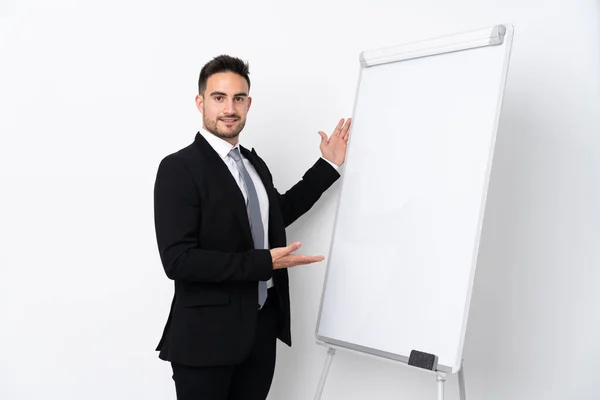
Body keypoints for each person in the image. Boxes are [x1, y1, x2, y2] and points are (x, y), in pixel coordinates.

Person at [153, 54, 351, 400]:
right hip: (205, 339)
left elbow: (277, 213)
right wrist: (264, 263)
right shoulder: (178, 168)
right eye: (219, 98)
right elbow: (179, 261)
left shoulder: (253, 163)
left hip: (259, 330)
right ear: (200, 102)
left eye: (238, 98)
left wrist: (328, 165)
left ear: (248, 103)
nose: (229, 108)